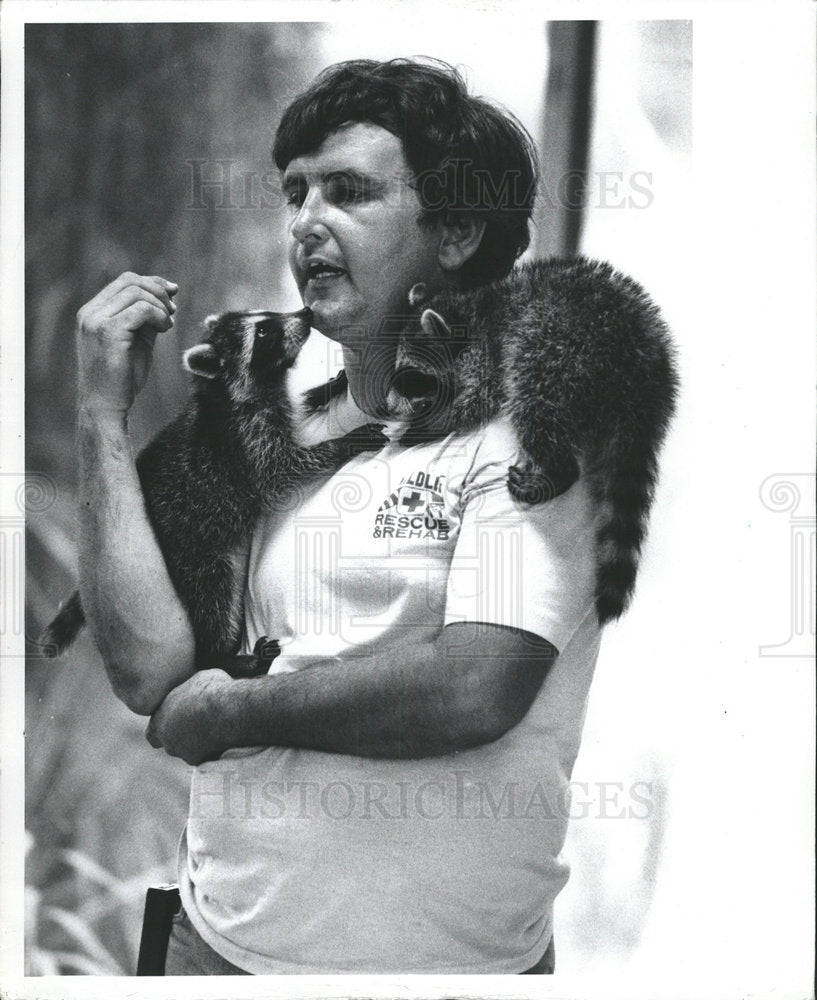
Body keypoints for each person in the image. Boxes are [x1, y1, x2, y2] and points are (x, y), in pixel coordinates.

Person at [76, 58, 603, 975]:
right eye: (296, 193)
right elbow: (150, 670)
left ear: (455, 231)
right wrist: (100, 416)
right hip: (218, 945)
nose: (305, 222)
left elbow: (475, 686)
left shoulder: (532, 425)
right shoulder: (279, 411)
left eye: (350, 192)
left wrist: (232, 710)